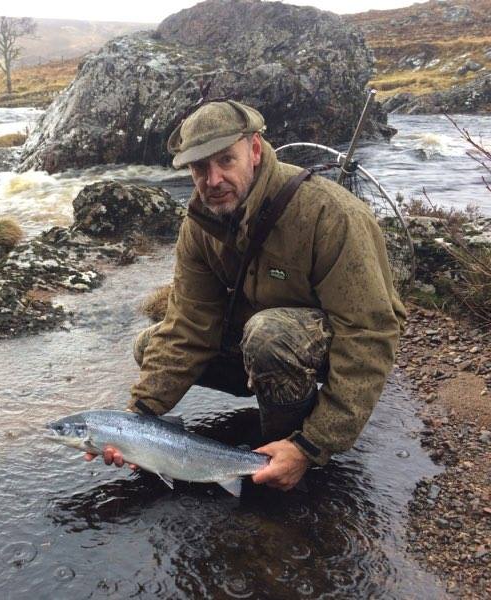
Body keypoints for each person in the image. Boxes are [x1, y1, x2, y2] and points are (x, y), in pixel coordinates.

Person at [86, 99, 406, 491]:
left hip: (318, 351)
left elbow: (369, 336)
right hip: (262, 349)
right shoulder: (200, 224)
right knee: (149, 344)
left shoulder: (331, 214)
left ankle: (288, 449)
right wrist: (131, 422)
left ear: (254, 150)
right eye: (200, 168)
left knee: (268, 335)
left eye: (225, 160)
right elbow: (189, 325)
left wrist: (312, 444)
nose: (213, 179)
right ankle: (269, 432)